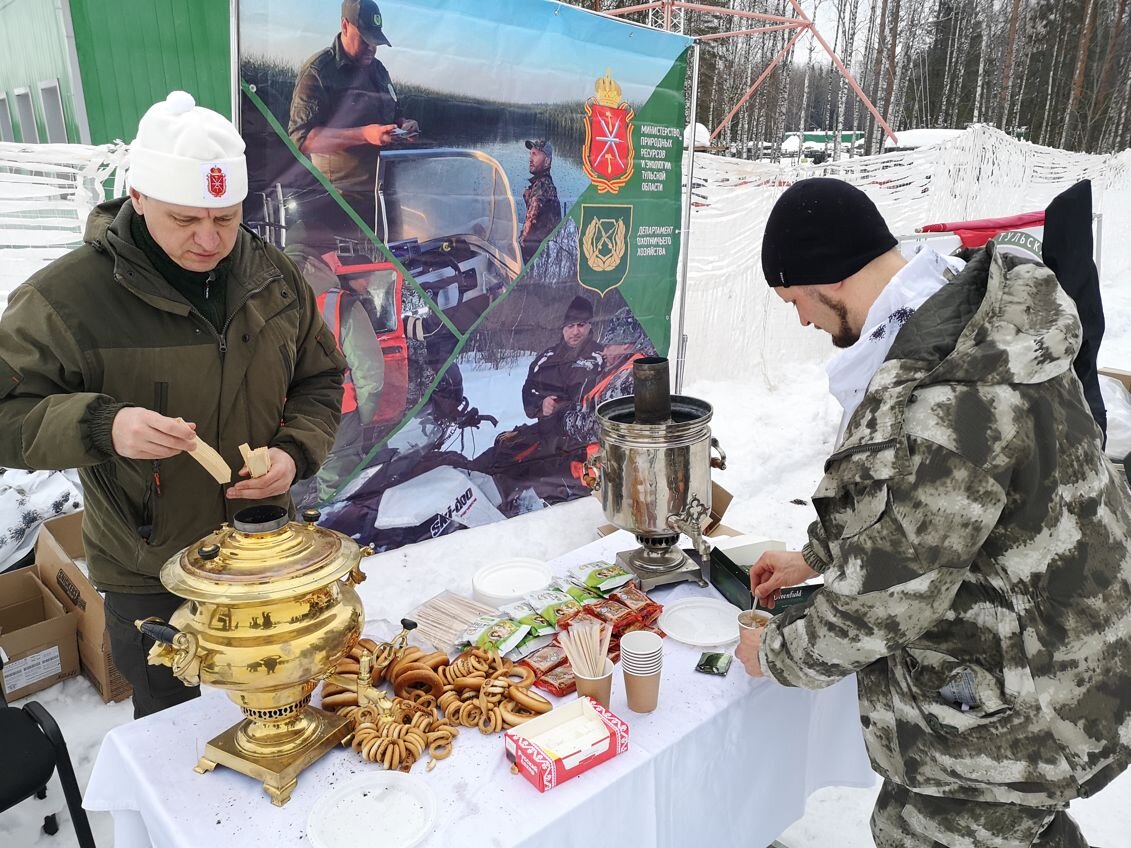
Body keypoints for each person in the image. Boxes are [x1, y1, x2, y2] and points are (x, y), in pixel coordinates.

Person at [735, 178, 1131, 847]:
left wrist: (775, 653)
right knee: (1023, 829)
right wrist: (816, 554)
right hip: (1056, 656)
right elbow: (916, 504)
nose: (800, 320)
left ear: (823, 275)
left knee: (929, 831)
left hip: (1025, 696)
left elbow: (884, 600)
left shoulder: (949, 393)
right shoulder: (961, 315)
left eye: (793, 299)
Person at [0, 91, 346, 719]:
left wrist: (294, 453)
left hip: (262, 554)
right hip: (151, 574)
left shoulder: (274, 276)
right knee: (177, 733)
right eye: (185, 220)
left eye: (227, 216)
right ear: (138, 198)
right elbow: (5, 412)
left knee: (279, 708)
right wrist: (105, 426)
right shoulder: (67, 298)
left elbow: (321, 379)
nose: (209, 240)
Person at [288, 0, 419, 230]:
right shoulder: (319, 73)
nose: (371, 47)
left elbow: (395, 113)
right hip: (340, 203)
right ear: (345, 26)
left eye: (375, 41)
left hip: (383, 197)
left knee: (393, 262)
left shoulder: (378, 70)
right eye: (365, 39)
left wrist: (404, 125)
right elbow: (302, 138)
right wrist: (365, 135)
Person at [298, 251, 388, 504]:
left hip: (282, 414)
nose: (368, 283)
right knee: (339, 488)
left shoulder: (267, 303)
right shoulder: (341, 305)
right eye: (365, 277)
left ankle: (283, 539)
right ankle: (337, 537)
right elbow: (369, 370)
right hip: (338, 413)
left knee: (288, 482)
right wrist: (364, 415)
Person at [521, 295, 603, 422]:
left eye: (580, 325)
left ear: (589, 325)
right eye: (570, 326)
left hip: (587, 435)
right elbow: (529, 390)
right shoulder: (545, 359)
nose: (575, 332)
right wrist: (541, 403)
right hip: (549, 436)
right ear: (563, 329)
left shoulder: (602, 356)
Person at [520, 139, 562, 263]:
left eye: (535, 154)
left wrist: (521, 240)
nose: (530, 158)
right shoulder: (546, 183)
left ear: (547, 161)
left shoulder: (542, 185)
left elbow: (531, 219)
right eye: (530, 154)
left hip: (537, 255)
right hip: (546, 251)